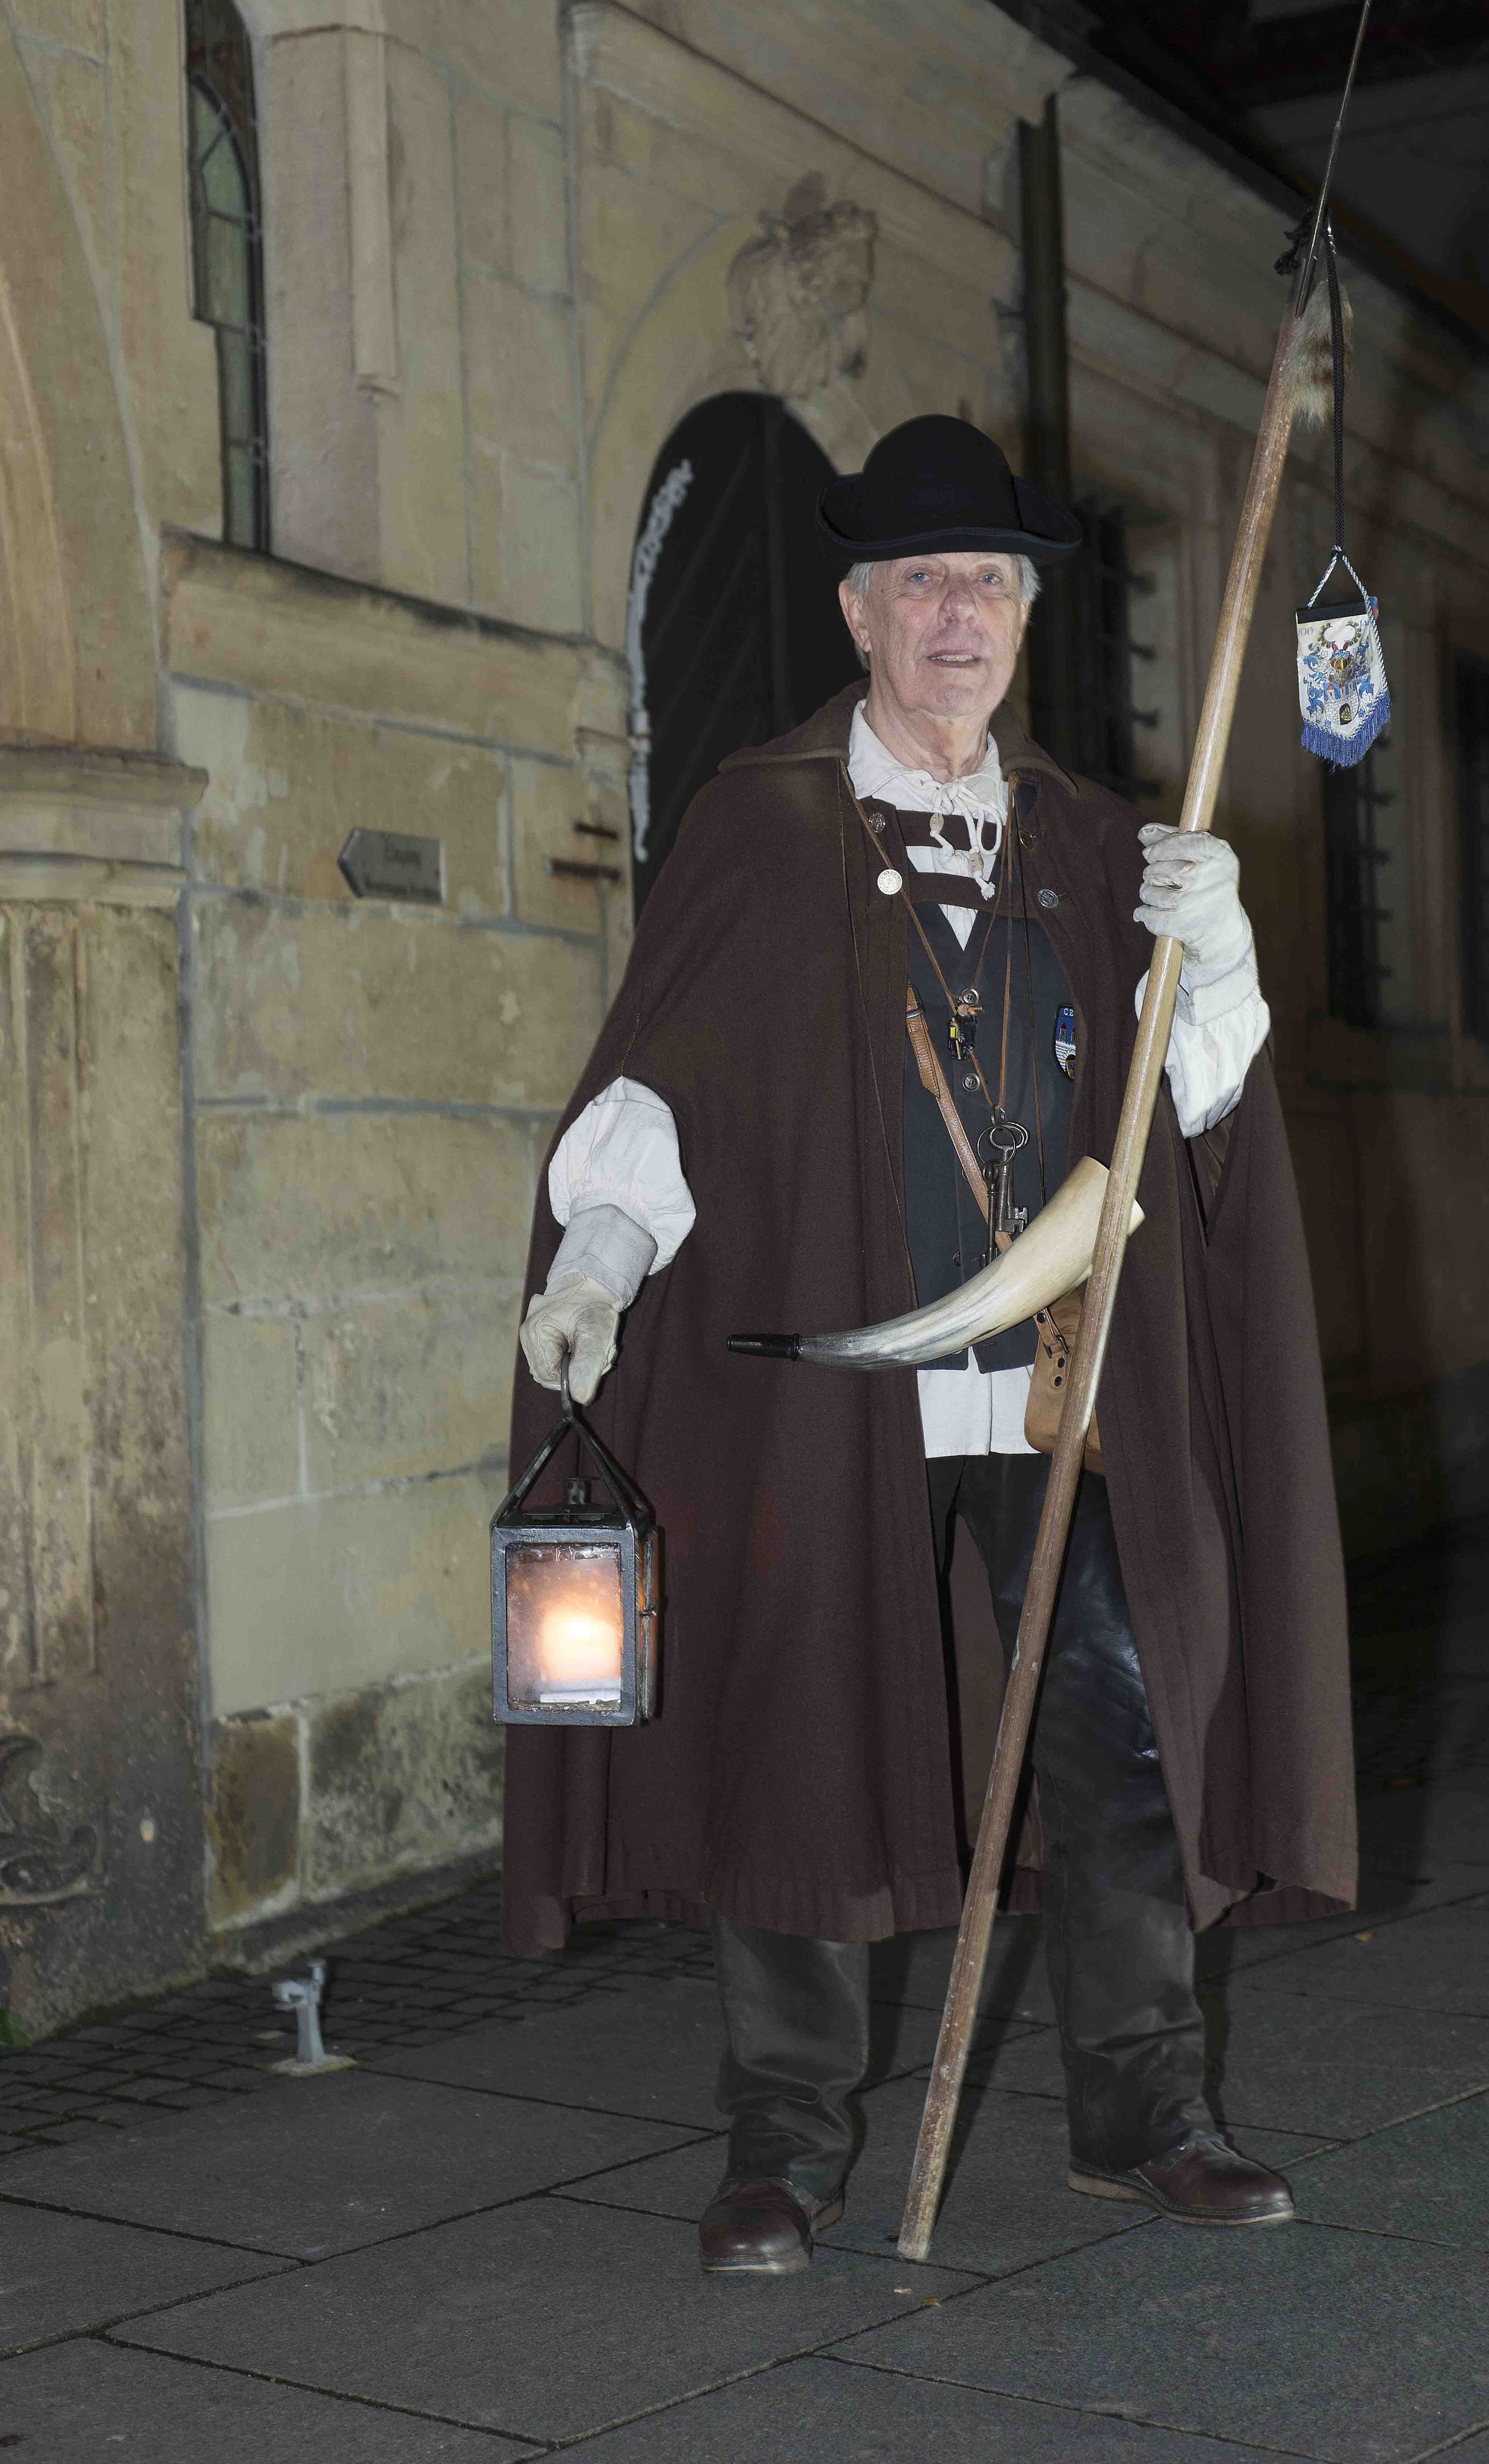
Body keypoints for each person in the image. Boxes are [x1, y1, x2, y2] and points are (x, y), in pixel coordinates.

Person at [505, 415, 1356, 2276]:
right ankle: (784, 2140)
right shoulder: (757, 818)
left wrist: (1213, 960)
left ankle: (1146, 2111)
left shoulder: (1099, 836)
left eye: (987, 580)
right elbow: (674, 1086)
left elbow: (1198, 1110)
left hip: (1064, 1385)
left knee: (1122, 1730)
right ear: (857, 612)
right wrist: (599, 1257)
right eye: (920, 582)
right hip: (834, 1390)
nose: (955, 611)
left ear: (1027, 616)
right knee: (796, 1731)